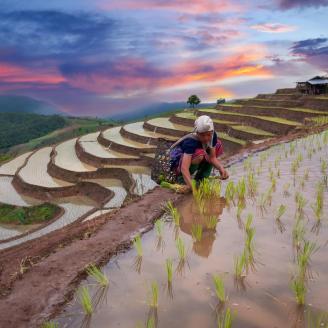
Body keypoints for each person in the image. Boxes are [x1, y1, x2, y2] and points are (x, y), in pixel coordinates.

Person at [169, 115, 229, 193]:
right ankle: (182, 179)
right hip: (177, 163)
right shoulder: (191, 142)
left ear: (212, 132)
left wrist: (221, 168)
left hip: (191, 161)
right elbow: (184, 168)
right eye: (202, 135)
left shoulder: (213, 135)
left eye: (208, 135)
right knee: (199, 155)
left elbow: (212, 158)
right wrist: (192, 188)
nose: (206, 138)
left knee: (217, 145)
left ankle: (201, 179)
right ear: (197, 133)